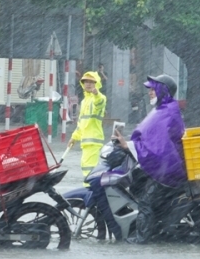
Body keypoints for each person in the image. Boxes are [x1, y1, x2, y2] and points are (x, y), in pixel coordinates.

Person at [115, 74, 186, 243]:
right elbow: (151, 139)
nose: (150, 92)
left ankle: (141, 239)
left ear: (163, 91)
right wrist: (131, 144)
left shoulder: (166, 112)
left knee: (146, 203)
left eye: (153, 89)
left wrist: (129, 146)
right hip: (166, 167)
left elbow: (160, 147)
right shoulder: (164, 109)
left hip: (167, 170)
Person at [69, 71, 107, 181]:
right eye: (86, 82)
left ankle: (91, 190)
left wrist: (96, 94)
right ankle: (90, 189)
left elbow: (99, 103)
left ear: (97, 84)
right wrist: (74, 137)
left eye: (92, 82)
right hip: (86, 141)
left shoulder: (100, 97)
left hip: (93, 141)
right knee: (86, 167)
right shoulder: (85, 101)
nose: (88, 84)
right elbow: (81, 123)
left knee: (90, 169)